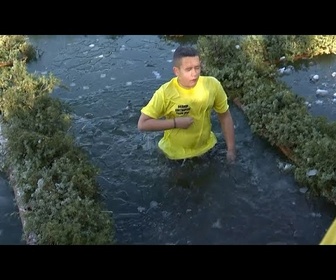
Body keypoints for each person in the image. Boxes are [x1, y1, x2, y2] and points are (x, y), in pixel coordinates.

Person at [137, 45, 236, 164]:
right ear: (176, 71)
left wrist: (231, 149)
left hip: (207, 148)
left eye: (197, 67)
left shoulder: (212, 85)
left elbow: (224, 116)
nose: (194, 73)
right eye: (188, 69)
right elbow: (142, 124)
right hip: (175, 155)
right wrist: (175, 123)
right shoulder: (165, 93)